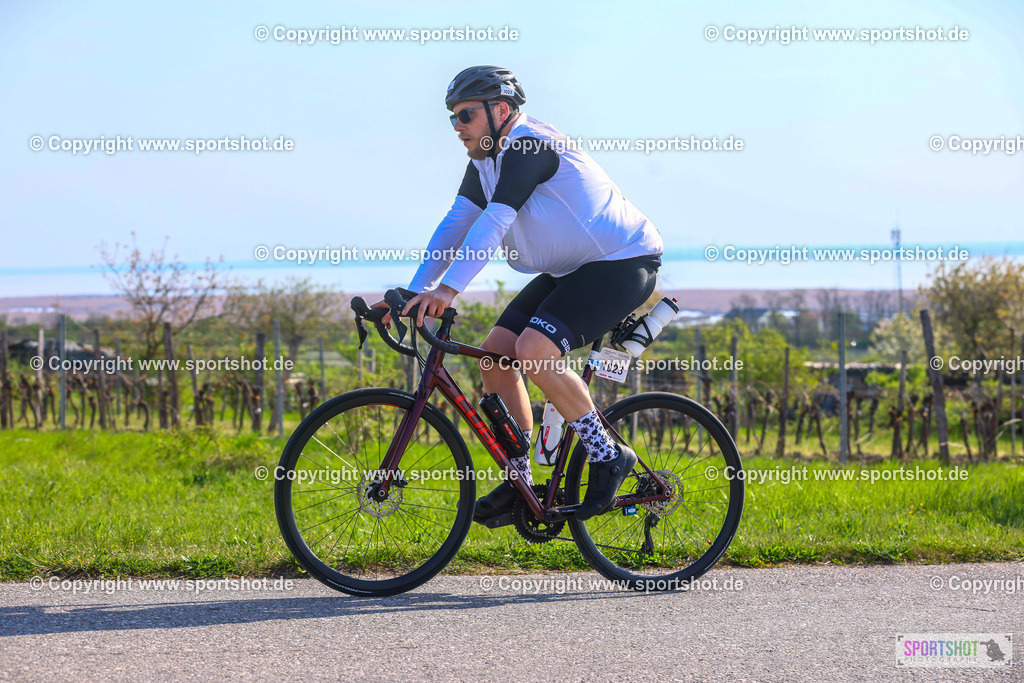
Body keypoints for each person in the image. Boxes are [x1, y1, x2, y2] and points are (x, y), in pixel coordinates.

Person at [372, 65, 663, 522]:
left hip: (621, 262)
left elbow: (495, 221)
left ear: (501, 110)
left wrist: (448, 290)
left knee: (533, 349)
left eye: (465, 116)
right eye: (451, 118)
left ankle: (608, 454)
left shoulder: (527, 145)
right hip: (572, 268)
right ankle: (521, 482)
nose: (456, 127)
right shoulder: (485, 163)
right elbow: (456, 224)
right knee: (496, 355)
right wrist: (415, 291)